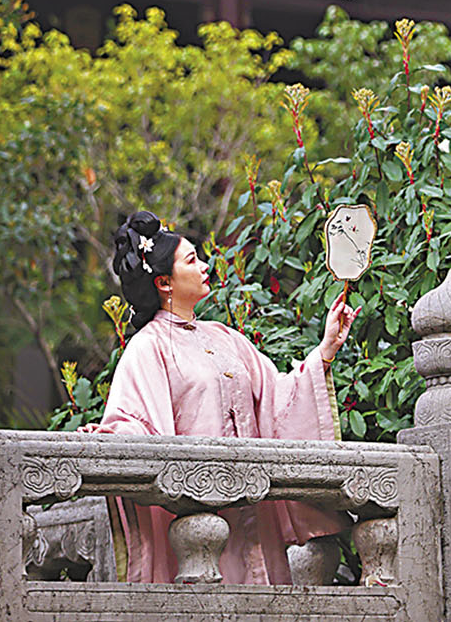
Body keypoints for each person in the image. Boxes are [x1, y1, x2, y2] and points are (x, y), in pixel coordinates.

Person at [90, 210, 357, 585]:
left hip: (252, 506)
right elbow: (135, 423)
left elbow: (278, 399)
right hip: (200, 520)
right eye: (191, 261)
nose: (204, 267)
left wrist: (326, 349)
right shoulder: (147, 347)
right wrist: (111, 435)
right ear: (164, 283)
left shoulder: (225, 337)